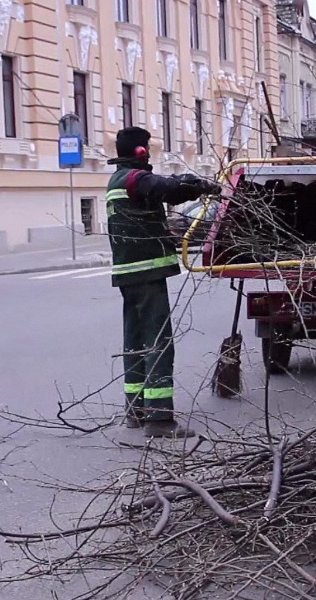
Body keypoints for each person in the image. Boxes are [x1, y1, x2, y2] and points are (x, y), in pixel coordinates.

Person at [106, 126, 221, 438]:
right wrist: (197, 186)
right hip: (146, 273)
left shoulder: (117, 180)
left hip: (130, 275)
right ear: (141, 152)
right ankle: (159, 419)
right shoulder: (134, 178)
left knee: (135, 339)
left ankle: (136, 409)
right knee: (158, 341)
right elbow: (166, 188)